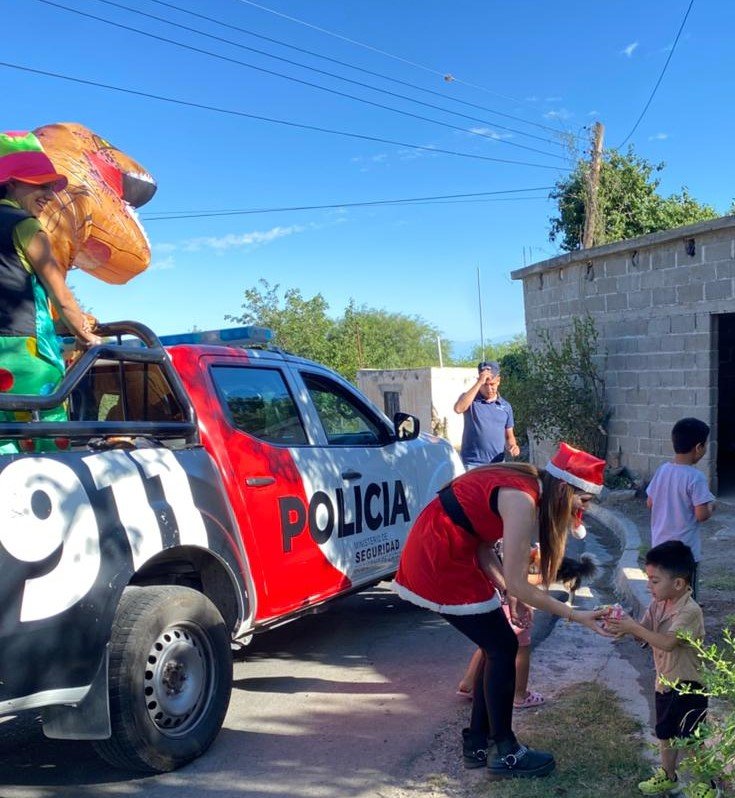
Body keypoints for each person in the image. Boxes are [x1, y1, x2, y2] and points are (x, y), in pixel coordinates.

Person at [393, 442, 611, 779]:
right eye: (583, 500)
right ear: (565, 489)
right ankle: (505, 750)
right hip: (438, 556)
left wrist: (510, 592)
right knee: (502, 647)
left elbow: (482, 543)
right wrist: (576, 615)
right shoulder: (522, 498)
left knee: (497, 646)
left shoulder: (527, 484)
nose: (584, 509)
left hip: (450, 549)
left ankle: (479, 743)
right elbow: (518, 580)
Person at [0, 130, 101, 453]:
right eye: (39, 185)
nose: (49, 195)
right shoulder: (25, 225)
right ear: (11, 183)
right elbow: (61, 295)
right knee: (47, 441)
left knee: (5, 444)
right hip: (26, 358)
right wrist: (87, 337)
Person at [605, 542, 719, 798]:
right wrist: (621, 625)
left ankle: (707, 785)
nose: (649, 586)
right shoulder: (658, 604)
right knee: (665, 732)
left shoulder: (690, 611)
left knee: (692, 738)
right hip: (665, 683)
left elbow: (668, 642)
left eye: (654, 581)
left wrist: (633, 628)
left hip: (690, 687)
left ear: (678, 583)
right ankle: (668, 776)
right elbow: (643, 633)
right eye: (648, 579)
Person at [456, 543, 546, 709]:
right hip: (514, 603)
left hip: (491, 597)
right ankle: (520, 694)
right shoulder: (517, 540)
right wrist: (542, 574)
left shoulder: (490, 540)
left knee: (488, 645)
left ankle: (467, 684)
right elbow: (526, 579)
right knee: (522, 649)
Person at [646, 418, 715, 599]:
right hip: (685, 554)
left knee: (662, 596)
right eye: (705, 445)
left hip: (659, 550)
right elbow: (701, 515)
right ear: (699, 447)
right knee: (686, 598)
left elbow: (650, 503)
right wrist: (711, 506)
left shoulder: (663, 470)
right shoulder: (696, 477)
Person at [454, 360, 520, 469]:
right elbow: (458, 408)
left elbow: (509, 436)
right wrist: (479, 383)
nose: (489, 389)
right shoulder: (471, 400)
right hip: (472, 463)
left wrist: (513, 446)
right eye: (485, 384)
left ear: (498, 381)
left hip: (498, 464)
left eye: (492, 384)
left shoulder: (506, 406)